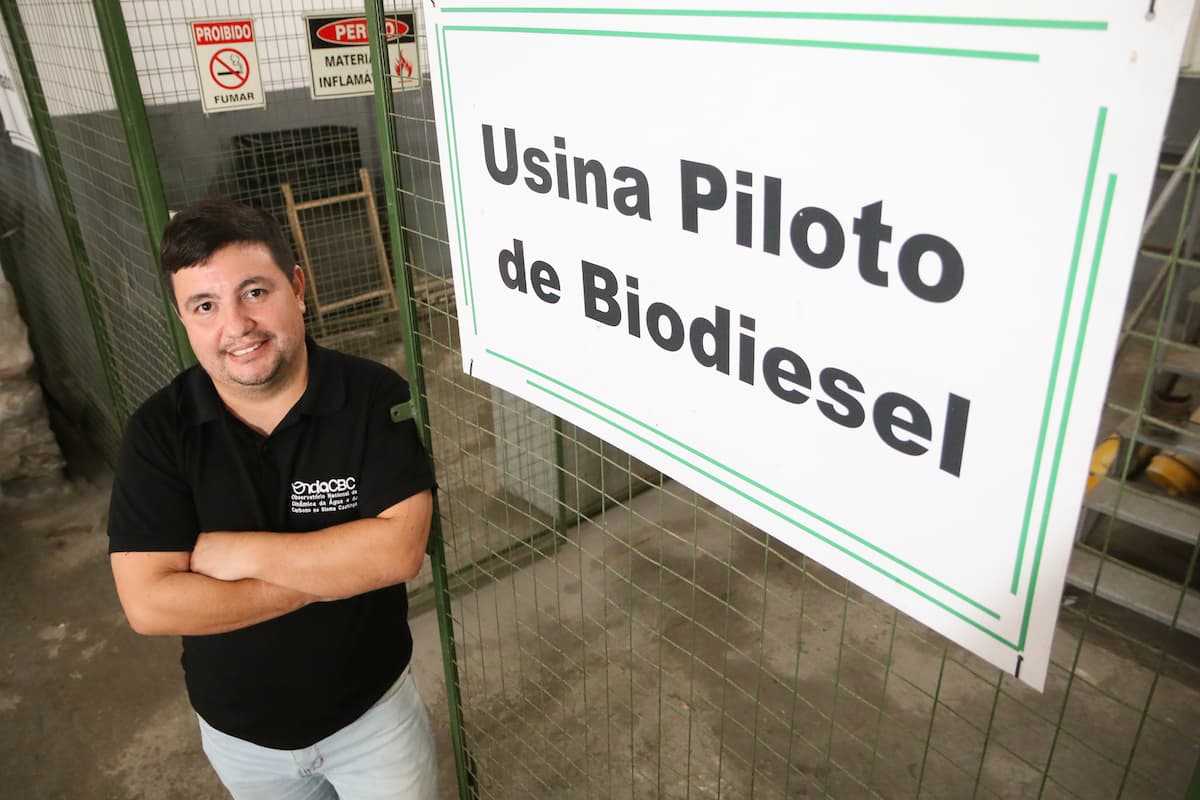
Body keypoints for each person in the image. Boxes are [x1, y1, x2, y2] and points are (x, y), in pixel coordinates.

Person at [106, 197, 438, 800]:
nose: (235, 327)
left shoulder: (370, 396)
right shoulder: (158, 432)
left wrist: (232, 554)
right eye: (205, 306)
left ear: (297, 286)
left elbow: (396, 555)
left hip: (374, 719)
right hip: (241, 739)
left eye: (254, 292)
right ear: (184, 319)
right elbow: (150, 605)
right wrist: (336, 571)